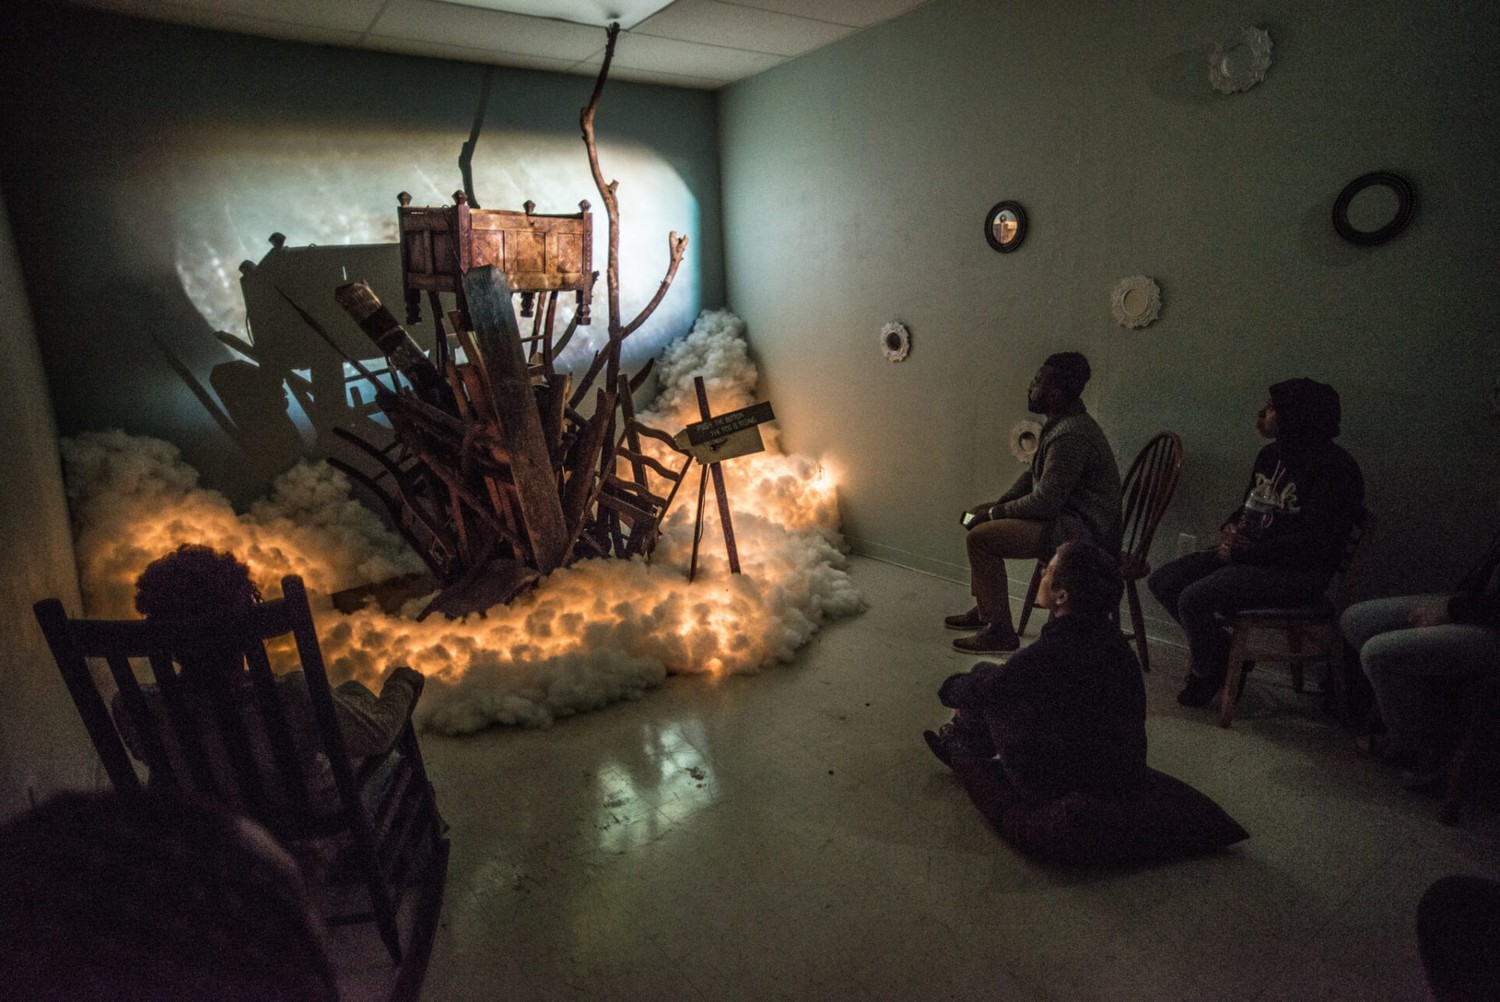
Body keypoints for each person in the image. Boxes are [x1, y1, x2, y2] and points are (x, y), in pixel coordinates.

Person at [115, 543, 424, 805]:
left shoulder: (135, 707)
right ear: (248, 627)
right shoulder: (289, 697)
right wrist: (404, 682)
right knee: (389, 759)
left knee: (352, 692)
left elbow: (154, 762)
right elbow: (378, 735)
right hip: (304, 824)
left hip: (209, 830)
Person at [1148, 378, 1364, 707]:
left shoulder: (1335, 470)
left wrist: (1247, 551)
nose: (1262, 413)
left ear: (1296, 416)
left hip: (1298, 573)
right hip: (1251, 555)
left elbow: (1315, 543)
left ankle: (1208, 671)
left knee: (1194, 598)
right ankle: (1222, 651)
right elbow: (1249, 504)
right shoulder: (1270, 455)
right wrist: (1231, 528)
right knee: (1164, 580)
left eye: (1273, 408)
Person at [925, 540, 1146, 801]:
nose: (1042, 573)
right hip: (1116, 768)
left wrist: (950, 689)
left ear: (1062, 595)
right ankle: (964, 742)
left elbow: (993, 689)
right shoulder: (1110, 639)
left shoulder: (1057, 648)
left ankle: (964, 751)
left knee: (990, 688)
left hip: (1070, 784)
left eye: (1049, 570)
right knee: (990, 673)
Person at [947, 352, 1123, 654]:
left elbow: (1045, 502)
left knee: (980, 538)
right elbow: (1033, 477)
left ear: (1055, 392)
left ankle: (1000, 631)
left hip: (1080, 532)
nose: (1031, 386)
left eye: (1037, 381)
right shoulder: (1061, 423)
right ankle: (986, 608)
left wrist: (994, 514)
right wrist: (994, 508)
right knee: (970, 518)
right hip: (1061, 518)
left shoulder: (1071, 435)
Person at [1341, 530, 1500, 779]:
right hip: (1475, 603)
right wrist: (1448, 606)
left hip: (1492, 625)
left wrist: (1450, 611)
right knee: (1357, 620)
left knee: (1378, 653)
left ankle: (1416, 746)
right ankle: (1422, 722)